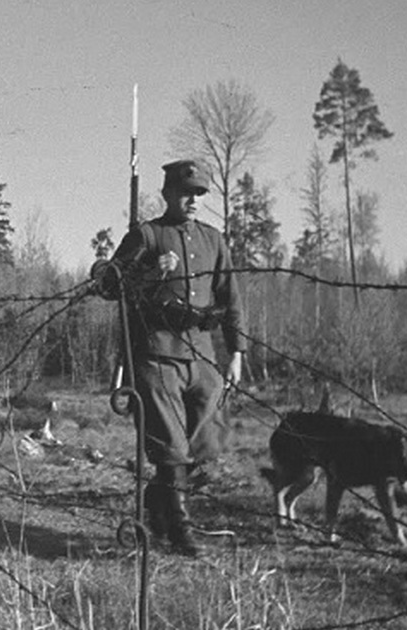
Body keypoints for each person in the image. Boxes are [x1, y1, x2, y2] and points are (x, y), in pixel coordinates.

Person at [107, 159, 245, 556]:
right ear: (167, 194)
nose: (193, 200)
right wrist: (151, 270)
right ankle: (180, 530)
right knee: (170, 446)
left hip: (201, 353)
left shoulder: (213, 240)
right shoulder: (148, 235)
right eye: (186, 193)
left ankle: (156, 505)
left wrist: (236, 352)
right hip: (157, 351)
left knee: (208, 440)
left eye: (199, 194)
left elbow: (230, 297)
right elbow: (108, 284)